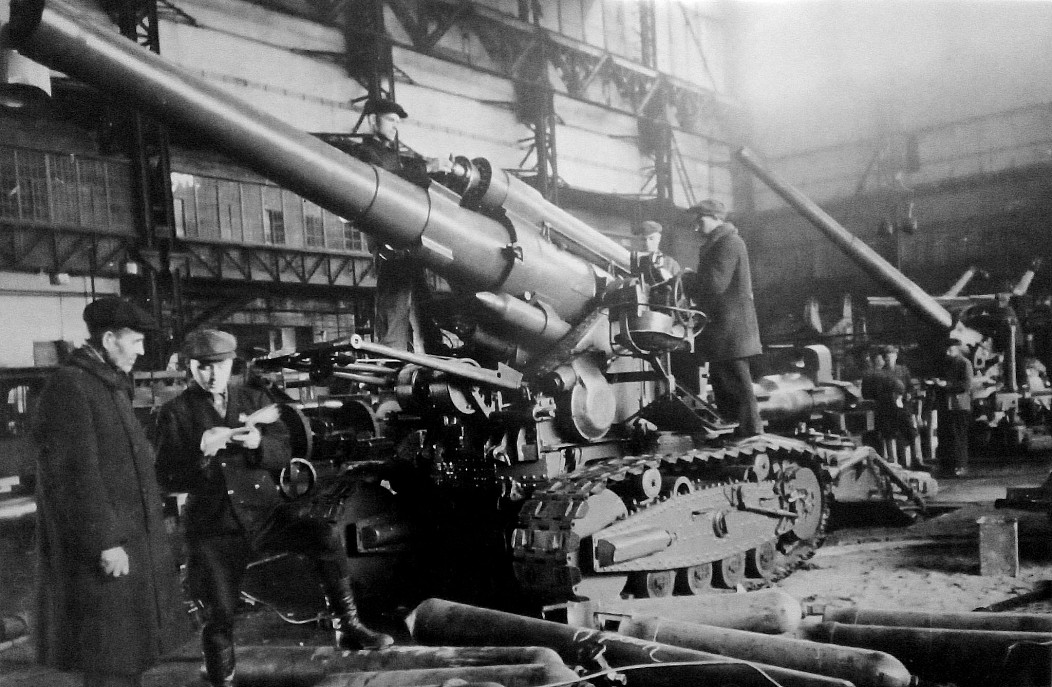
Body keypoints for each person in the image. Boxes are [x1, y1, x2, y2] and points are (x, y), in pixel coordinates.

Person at [156, 329, 392, 687]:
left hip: (264, 513)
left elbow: (284, 452)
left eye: (219, 365)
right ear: (190, 367)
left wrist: (258, 444)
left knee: (323, 535)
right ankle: (221, 676)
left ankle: (347, 626)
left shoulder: (253, 399)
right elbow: (165, 478)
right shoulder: (175, 413)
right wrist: (200, 455)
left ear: (231, 364)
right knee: (219, 611)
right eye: (203, 367)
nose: (212, 374)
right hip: (215, 525)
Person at [32, 297, 191, 687]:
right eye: (134, 341)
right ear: (108, 340)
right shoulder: (71, 387)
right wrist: (104, 542)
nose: (140, 350)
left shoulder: (106, 384)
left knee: (125, 657)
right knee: (109, 661)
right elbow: (74, 476)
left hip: (127, 543)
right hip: (106, 551)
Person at [352, 97, 452, 352]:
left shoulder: (391, 155)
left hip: (405, 235)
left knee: (421, 296)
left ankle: (434, 350)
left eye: (398, 122)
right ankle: (392, 353)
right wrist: (427, 167)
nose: (395, 126)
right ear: (373, 121)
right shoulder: (367, 154)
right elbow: (389, 181)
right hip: (387, 237)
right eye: (390, 120)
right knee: (394, 299)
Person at [683, 199, 763, 436]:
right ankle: (737, 430)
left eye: (700, 221)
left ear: (716, 218)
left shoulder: (728, 243)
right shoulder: (720, 242)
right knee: (725, 381)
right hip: (724, 327)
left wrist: (687, 279)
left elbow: (715, 284)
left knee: (738, 382)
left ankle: (751, 432)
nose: (696, 227)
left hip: (731, 328)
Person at [935, 337, 974, 477]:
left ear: (957, 349)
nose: (947, 352)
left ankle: (961, 465)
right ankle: (949, 466)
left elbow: (966, 385)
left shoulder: (965, 363)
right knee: (947, 436)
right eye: (946, 349)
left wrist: (947, 385)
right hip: (948, 405)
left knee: (959, 437)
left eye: (950, 349)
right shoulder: (946, 363)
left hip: (959, 405)